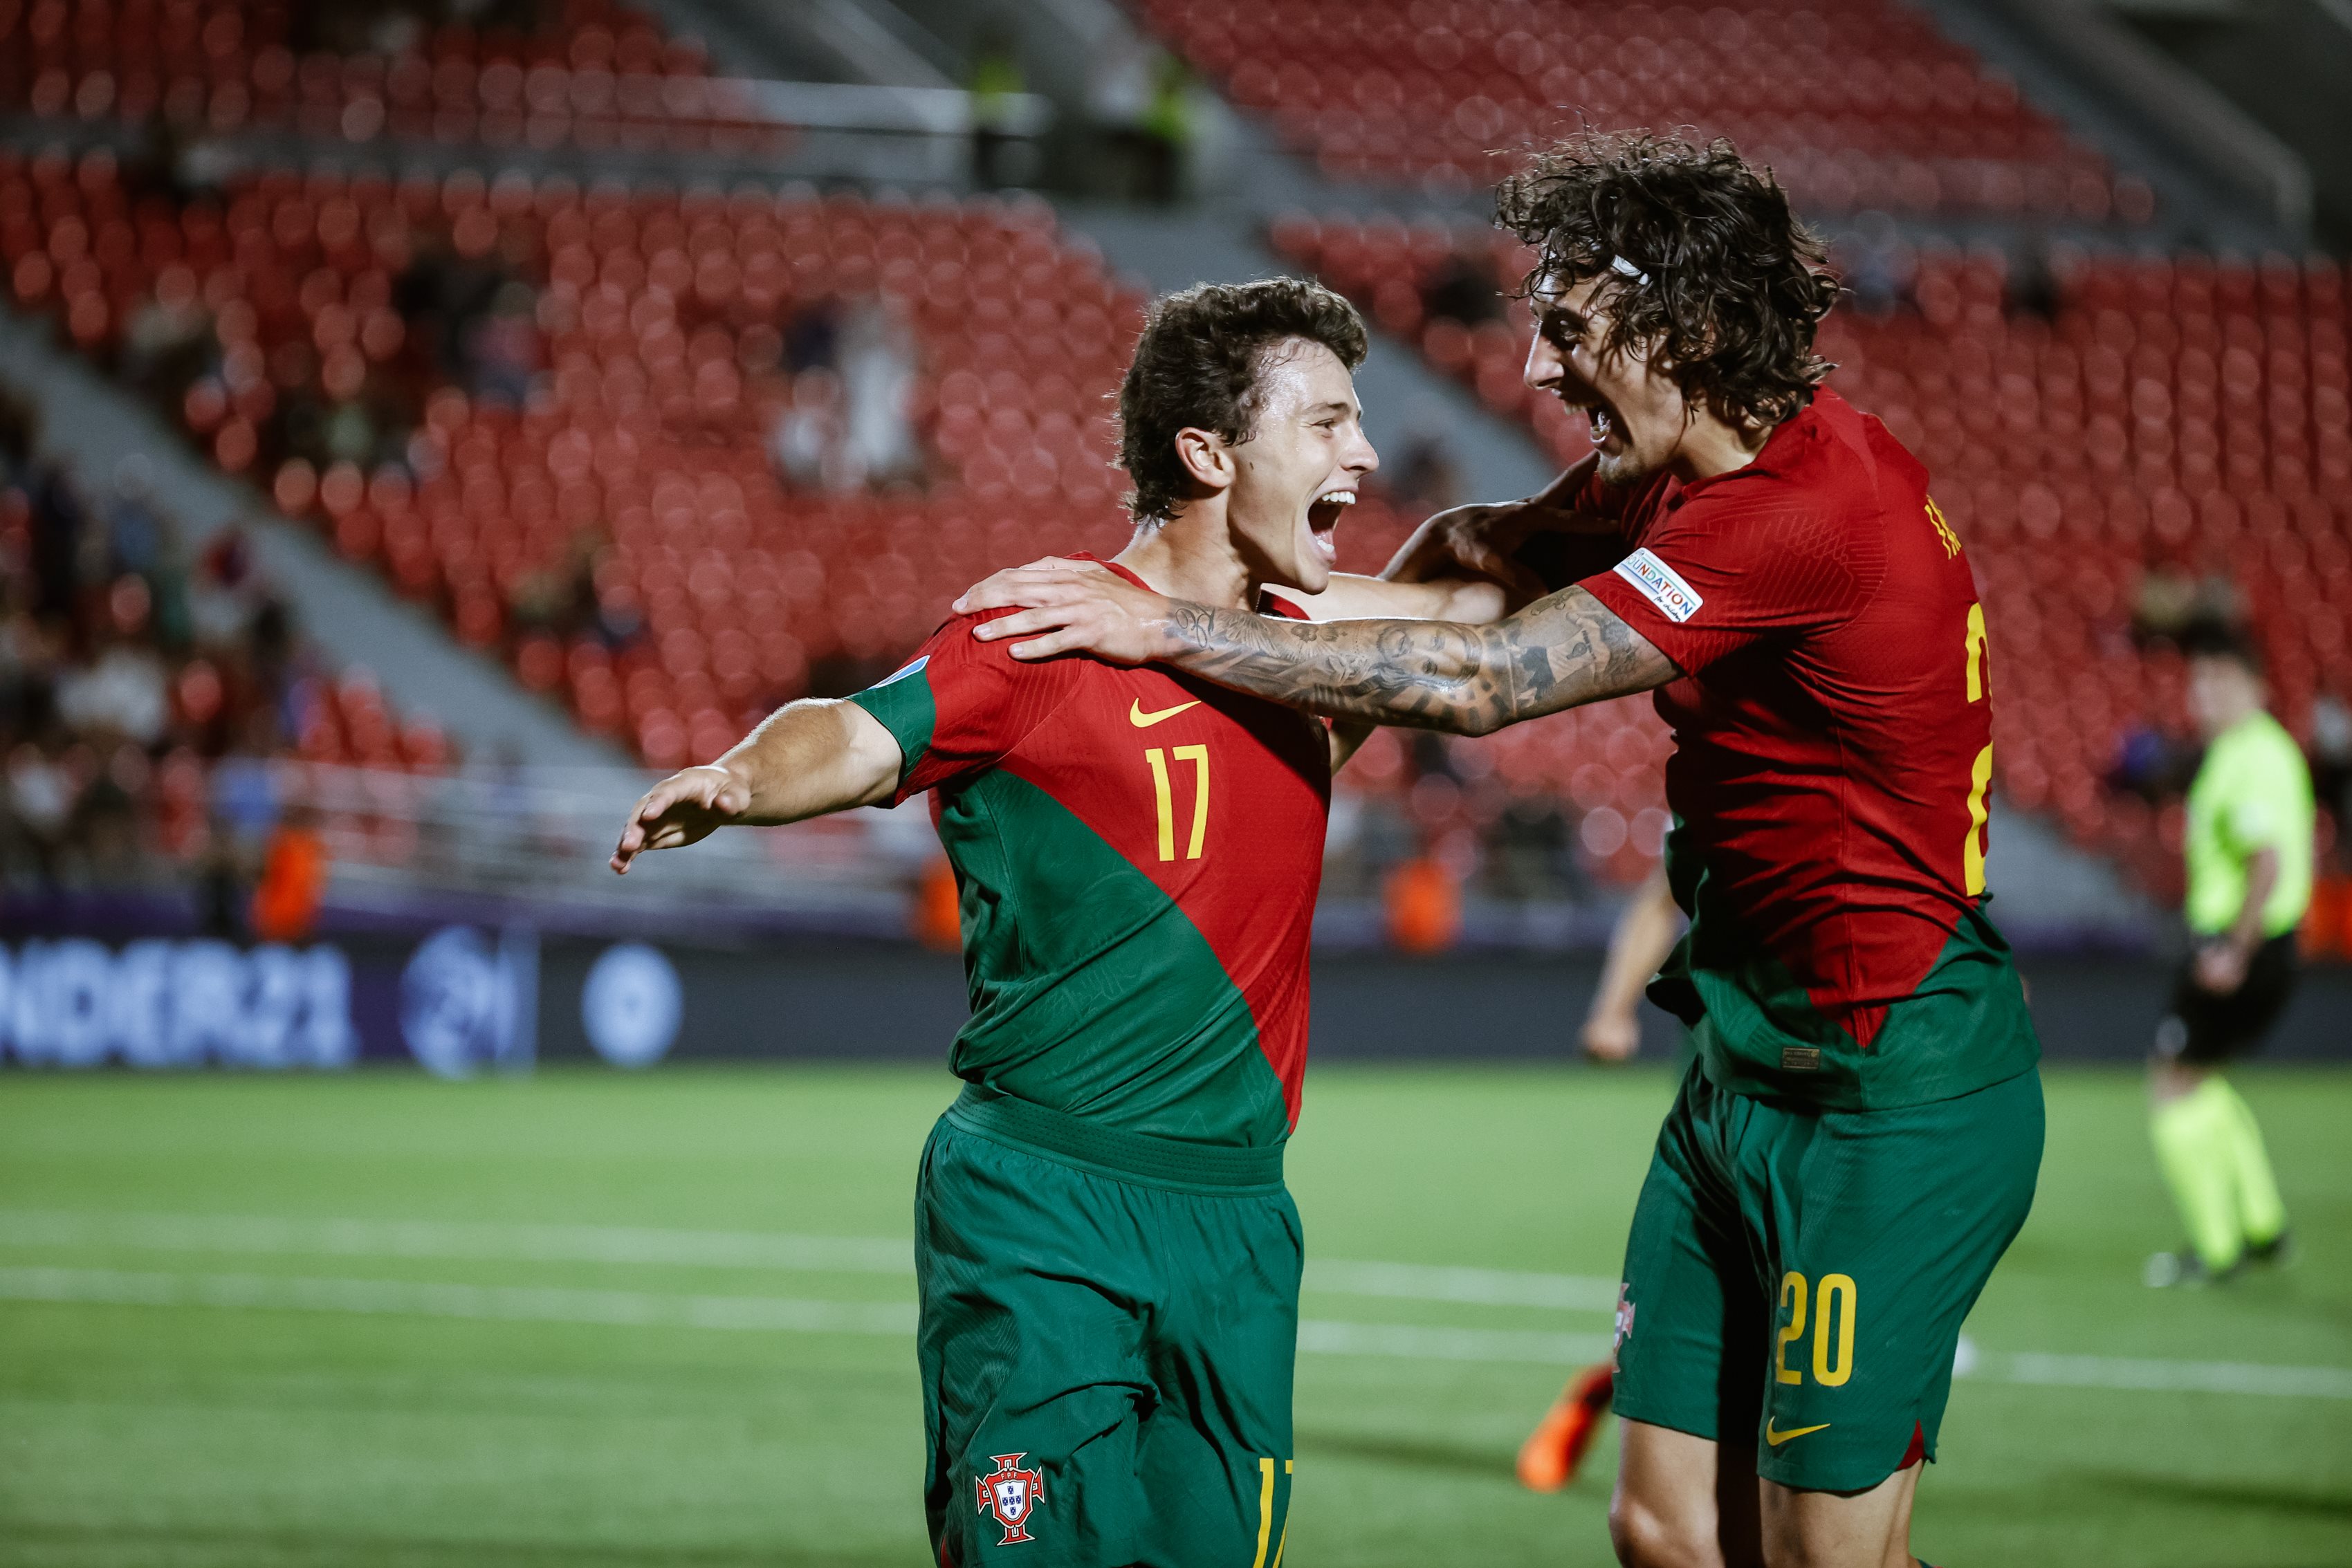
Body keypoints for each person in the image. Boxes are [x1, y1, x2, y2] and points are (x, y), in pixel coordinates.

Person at [957, 131, 2043, 1568]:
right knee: (1664, 1528)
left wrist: (1166, 629)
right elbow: (1480, 557)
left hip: (1886, 1091)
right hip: (1743, 1071)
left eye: (1573, 331)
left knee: (1828, 1557)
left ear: (1693, 329)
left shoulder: (1802, 515)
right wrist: (1215, 599)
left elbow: (1484, 682)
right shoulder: (1686, 477)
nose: (1534, 370)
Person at [612, 277, 1500, 1567]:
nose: (1363, 453)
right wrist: (743, 778)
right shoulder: (1045, 630)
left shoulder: (1312, 645)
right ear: (1208, 452)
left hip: (1240, 1223)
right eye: (1326, 424)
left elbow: (1490, 619)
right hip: (1044, 1208)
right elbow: (859, 732)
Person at [2144, 630, 2313, 1286]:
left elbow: (2265, 864)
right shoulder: (2262, 752)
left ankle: (2217, 1250)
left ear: (2255, 686)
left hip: (2239, 942)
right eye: (2200, 681)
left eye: (2220, 682)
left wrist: (2233, 952)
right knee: (2203, 1079)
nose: (2204, 694)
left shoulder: (2249, 757)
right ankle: (2265, 1227)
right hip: (2263, 942)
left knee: (2171, 1081)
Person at [1516, 867, 1689, 1495]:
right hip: (1730, 1090)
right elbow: (1663, 894)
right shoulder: (1738, 780)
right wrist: (1614, 1010)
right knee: (1700, 1295)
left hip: (1857, 1089)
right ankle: (1608, 1382)